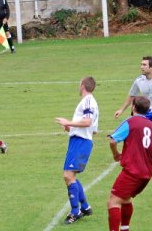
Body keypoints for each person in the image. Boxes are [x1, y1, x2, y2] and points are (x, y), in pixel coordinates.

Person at [107, 96, 152, 231]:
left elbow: (113, 140)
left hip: (132, 172)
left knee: (113, 201)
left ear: (133, 107)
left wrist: (116, 154)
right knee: (126, 199)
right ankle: (125, 228)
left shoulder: (130, 122)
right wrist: (147, 162)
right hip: (146, 174)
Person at [114, 56, 152, 167]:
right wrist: (121, 109)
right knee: (137, 130)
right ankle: (136, 155)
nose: (141, 67)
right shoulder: (139, 81)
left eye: (144, 65)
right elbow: (131, 95)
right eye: (141, 64)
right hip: (146, 109)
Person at [54, 76, 99, 224]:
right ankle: (85, 207)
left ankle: (75, 212)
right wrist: (70, 127)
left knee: (68, 176)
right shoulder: (90, 102)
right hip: (79, 141)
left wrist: (69, 122)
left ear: (83, 86)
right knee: (71, 176)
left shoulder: (88, 101)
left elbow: (87, 122)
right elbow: (93, 130)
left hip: (81, 143)